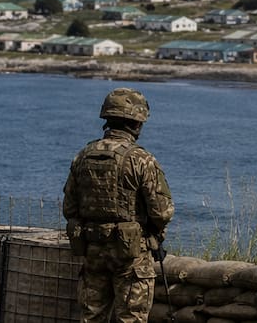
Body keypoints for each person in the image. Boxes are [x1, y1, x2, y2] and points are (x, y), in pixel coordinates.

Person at [63, 87, 174, 323]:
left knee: (91, 317)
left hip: (93, 250)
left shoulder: (83, 155)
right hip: (131, 256)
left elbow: (70, 208)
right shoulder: (141, 160)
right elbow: (162, 212)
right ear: (137, 123)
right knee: (131, 319)